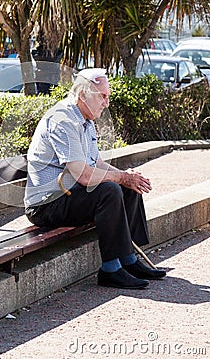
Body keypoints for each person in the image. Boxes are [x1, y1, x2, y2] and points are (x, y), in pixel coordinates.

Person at [24, 68, 166, 289]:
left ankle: (128, 259)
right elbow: (83, 175)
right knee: (110, 190)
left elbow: (96, 163)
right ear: (83, 94)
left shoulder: (85, 119)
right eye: (102, 96)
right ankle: (111, 269)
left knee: (129, 185)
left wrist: (126, 176)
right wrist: (119, 178)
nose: (106, 103)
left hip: (67, 196)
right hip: (46, 205)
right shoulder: (62, 120)